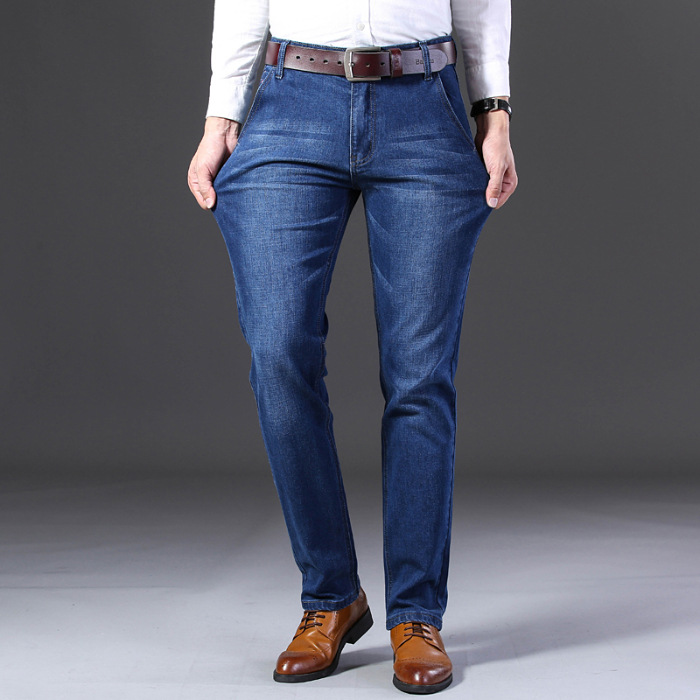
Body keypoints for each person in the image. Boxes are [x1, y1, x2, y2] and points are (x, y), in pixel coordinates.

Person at [188, 1, 517, 694]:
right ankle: (332, 596)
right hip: (291, 107)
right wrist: (221, 119)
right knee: (278, 353)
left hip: (422, 107)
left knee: (421, 376)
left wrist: (494, 113)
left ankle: (416, 615)